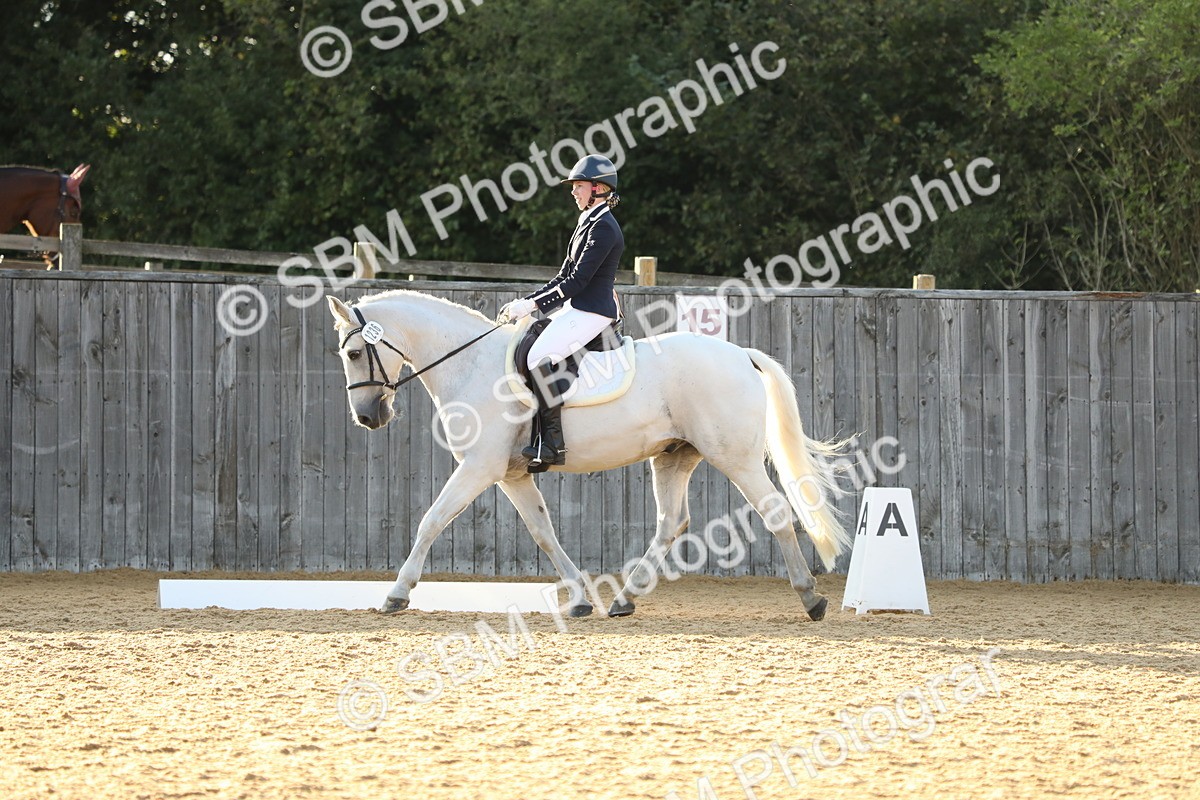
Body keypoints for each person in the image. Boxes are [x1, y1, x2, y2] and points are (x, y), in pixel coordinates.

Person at [499, 153, 625, 468]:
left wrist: (533, 305)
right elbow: (562, 276)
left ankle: (553, 444)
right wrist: (528, 301)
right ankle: (540, 437)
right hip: (578, 307)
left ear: (598, 188)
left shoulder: (604, 228)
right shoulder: (588, 222)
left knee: (537, 357)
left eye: (578, 186)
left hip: (592, 311)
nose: (573, 191)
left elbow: (578, 281)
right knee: (529, 341)